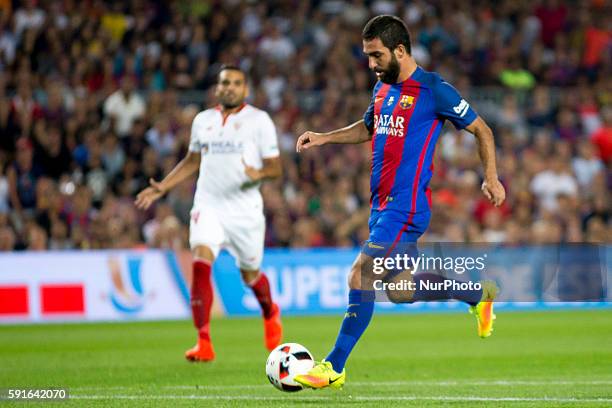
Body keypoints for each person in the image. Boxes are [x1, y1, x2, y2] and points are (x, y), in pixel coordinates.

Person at [294, 15, 506, 389]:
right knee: (400, 289)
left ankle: (333, 366)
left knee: (360, 273)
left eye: (376, 56)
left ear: (400, 50)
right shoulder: (381, 90)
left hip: (405, 208)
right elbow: (368, 127)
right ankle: (478, 294)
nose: (371, 65)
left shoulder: (434, 89)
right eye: (367, 56)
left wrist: (490, 176)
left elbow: (481, 129)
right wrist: (325, 137)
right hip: (380, 208)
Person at [135, 65, 283, 362]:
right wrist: (163, 186)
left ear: (246, 89)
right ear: (217, 88)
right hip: (209, 205)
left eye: (236, 83)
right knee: (201, 262)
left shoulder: (259, 121)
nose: (229, 87)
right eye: (225, 82)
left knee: (250, 275)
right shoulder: (203, 121)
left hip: (245, 211)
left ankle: (270, 312)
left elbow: (275, 168)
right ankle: (203, 341)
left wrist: (258, 174)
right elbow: (192, 161)